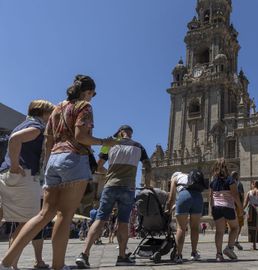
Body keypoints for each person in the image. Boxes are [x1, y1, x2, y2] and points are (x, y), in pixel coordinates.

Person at [1, 75, 117, 270]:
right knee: (65, 214)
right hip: (73, 159)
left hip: (53, 160)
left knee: (43, 214)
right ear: (87, 91)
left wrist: (47, 166)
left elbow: (48, 142)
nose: (92, 97)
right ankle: (58, 265)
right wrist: (105, 141)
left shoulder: (57, 108)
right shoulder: (84, 107)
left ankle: (6, 262)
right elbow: (82, 137)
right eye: (92, 94)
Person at [76, 124, 152, 268]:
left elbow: (98, 166)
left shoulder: (110, 145)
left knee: (100, 220)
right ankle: (122, 256)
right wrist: (147, 185)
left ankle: (84, 254)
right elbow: (148, 167)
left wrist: (109, 174)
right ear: (130, 133)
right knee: (123, 222)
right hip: (128, 187)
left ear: (121, 132)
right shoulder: (139, 146)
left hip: (110, 186)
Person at [0, 100, 55, 269]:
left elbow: (15, 139)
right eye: (50, 113)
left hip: (6, 173)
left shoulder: (22, 124)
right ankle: (8, 264)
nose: (52, 117)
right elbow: (15, 140)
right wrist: (16, 166)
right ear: (43, 112)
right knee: (28, 223)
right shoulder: (37, 127)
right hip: (22, 176)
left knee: (8, 218)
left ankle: (12, 263)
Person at [165, 171, 204, 264]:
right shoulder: (190, 176)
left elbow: (172, 197)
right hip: (198, 197)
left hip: (184, 195)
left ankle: (178, 255)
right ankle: (194, 253)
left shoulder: (175, 178)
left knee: (181, 228)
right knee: (194, 228)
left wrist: (169, 209)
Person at [209, 158, 243, 261]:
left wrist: (212, 209)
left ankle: (219, 255)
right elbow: (235, 195)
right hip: (228, 207)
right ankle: (229, 248)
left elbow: (211, 197)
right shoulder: (230, 180)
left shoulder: (213, 181)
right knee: (234, 228)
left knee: (219, 232)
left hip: (216, 208)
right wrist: (240, 209)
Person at [231, 171, 245, 250]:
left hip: (230, 206)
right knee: (239, 224)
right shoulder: (239, 184)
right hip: (237, 206)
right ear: (237, 176)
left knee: (231, 224)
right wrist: (241, 207)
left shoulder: (228, 183)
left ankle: (232, 242)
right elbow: (242, 196)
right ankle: (235, 240)